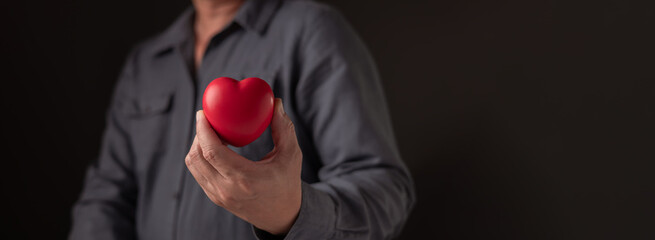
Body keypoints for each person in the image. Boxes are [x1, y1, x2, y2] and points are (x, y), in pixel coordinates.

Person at [69, 0, 415, 239]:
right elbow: (107, 195)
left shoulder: (313, 32)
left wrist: (291, 212)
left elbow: (385, 189)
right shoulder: (144, 63)